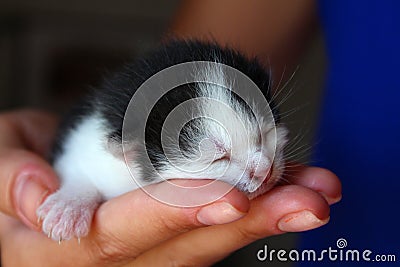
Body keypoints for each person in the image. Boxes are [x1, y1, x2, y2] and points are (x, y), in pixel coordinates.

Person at [0, 1, 343, 266]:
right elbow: (79, 169)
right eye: (218, 156)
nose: (263, 167)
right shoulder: (111, 146)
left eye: (265, 136)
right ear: (132, 155)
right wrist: (76, 196)